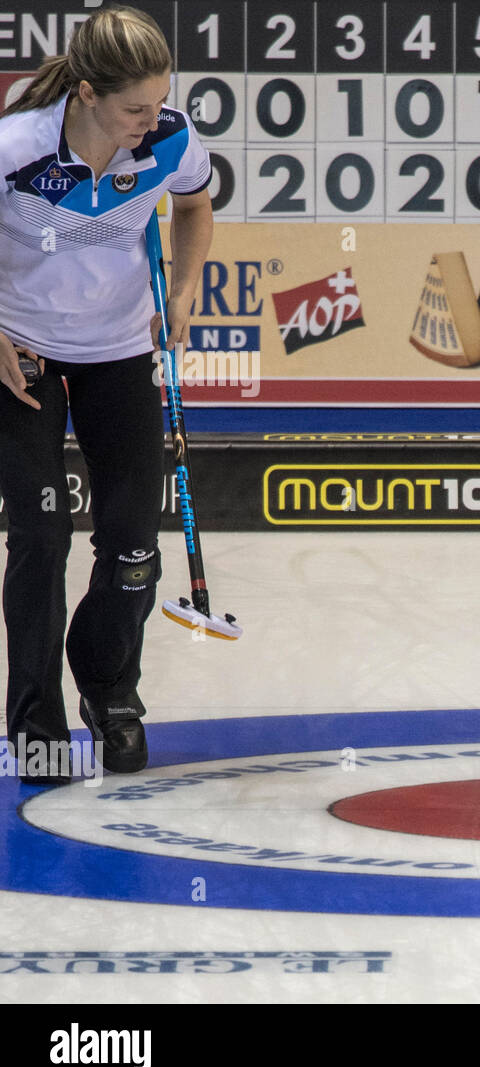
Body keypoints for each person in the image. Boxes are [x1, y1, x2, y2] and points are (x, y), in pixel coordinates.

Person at [0, 6, 213, 782]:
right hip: (20, 354)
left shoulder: (172, 138)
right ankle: (36, 724)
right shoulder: (17, 147)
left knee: (131, 547)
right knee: (42, 535)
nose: (149, 122)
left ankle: (109, 689)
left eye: (158, 103)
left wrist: (185, 287)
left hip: (118, 350)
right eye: (134, 109)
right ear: (86, 93)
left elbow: (193, 204)